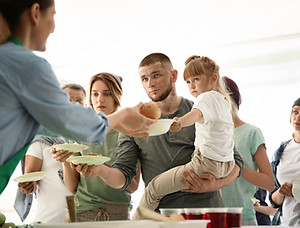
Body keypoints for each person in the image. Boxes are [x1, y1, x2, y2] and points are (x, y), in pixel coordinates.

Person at [0, 0, 155, 194]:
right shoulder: (26, 65)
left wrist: (107, 124)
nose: (54, 28)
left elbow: (45, 123)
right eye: (53, 16)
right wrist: (120, 117)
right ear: (36, 12)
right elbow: (68, 119)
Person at [73, 53, 244, 216]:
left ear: (174, 76)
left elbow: (236, 161)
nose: (150, 83)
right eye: (144, 79)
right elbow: (124, 177)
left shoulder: (201, 111)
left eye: (156, 75)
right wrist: (101, 170)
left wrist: (214, 184)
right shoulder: (131, 124)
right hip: (162, 217)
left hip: (209, 211)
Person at [132, 55, 236, 218]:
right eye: (188, 82)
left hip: (205, 165)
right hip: (225, 164)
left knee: (153, 189)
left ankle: (133, 225)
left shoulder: (205, 98)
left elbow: (196, 114)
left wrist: (180, 122)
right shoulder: (223, 101)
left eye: (196, 79)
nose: (192, 85)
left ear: (213, 79)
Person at [53, 73, 141, 222]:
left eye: (107, 94)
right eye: (95, 94)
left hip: (117, 213)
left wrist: (103, 169)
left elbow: (132, 186)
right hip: (81, 212)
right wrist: (65, 160)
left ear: (116, 96)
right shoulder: (78, 132)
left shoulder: (130, 132)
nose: (99, 99)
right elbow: (71, 188)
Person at [15, 83, 87, 224]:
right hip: (49, 223)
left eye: (79, 102)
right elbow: (30, 179)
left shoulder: (88, 143)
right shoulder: (40, 141)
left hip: (85, 222)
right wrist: (28, 185)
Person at [221, 77, 274, 226]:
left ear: (229, 100)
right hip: (211, 217)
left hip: (242, 219)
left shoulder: (251, 133)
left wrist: (237, 167)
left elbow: (269, 183)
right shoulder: (207, 136)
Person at [269, 97, 300, 226]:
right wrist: (281, 192)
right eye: (295, 112)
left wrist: (297, 190)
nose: (297, 117)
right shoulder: (281, 151)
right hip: (283, 223)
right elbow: (274, 199)